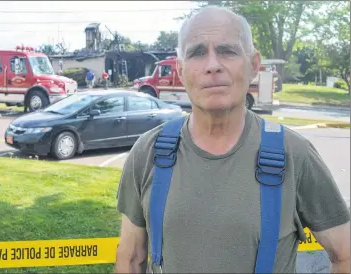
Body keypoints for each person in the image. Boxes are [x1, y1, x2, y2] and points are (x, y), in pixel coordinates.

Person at [115, 6, 350, 274]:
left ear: (253, 65)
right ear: (180, 71)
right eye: (197, 52)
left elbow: (345, 254)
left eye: (227, 50)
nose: (212, 65)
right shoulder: (148, 152)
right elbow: (131, 257)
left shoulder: (294, 154)